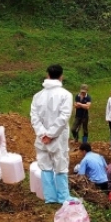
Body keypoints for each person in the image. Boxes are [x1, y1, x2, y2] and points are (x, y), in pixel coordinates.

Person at [31, 64, 74, 204]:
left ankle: (50, 198)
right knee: (61, 166)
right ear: (62, 76)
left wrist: (43, 134)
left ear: (47, 75)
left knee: (45, 165)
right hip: (58, 138)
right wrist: (51, 134)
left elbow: (34, 118)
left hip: (42, 139)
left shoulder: (37, 96)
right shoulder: (66, 95)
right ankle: (63, 197)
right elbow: (64, 117)